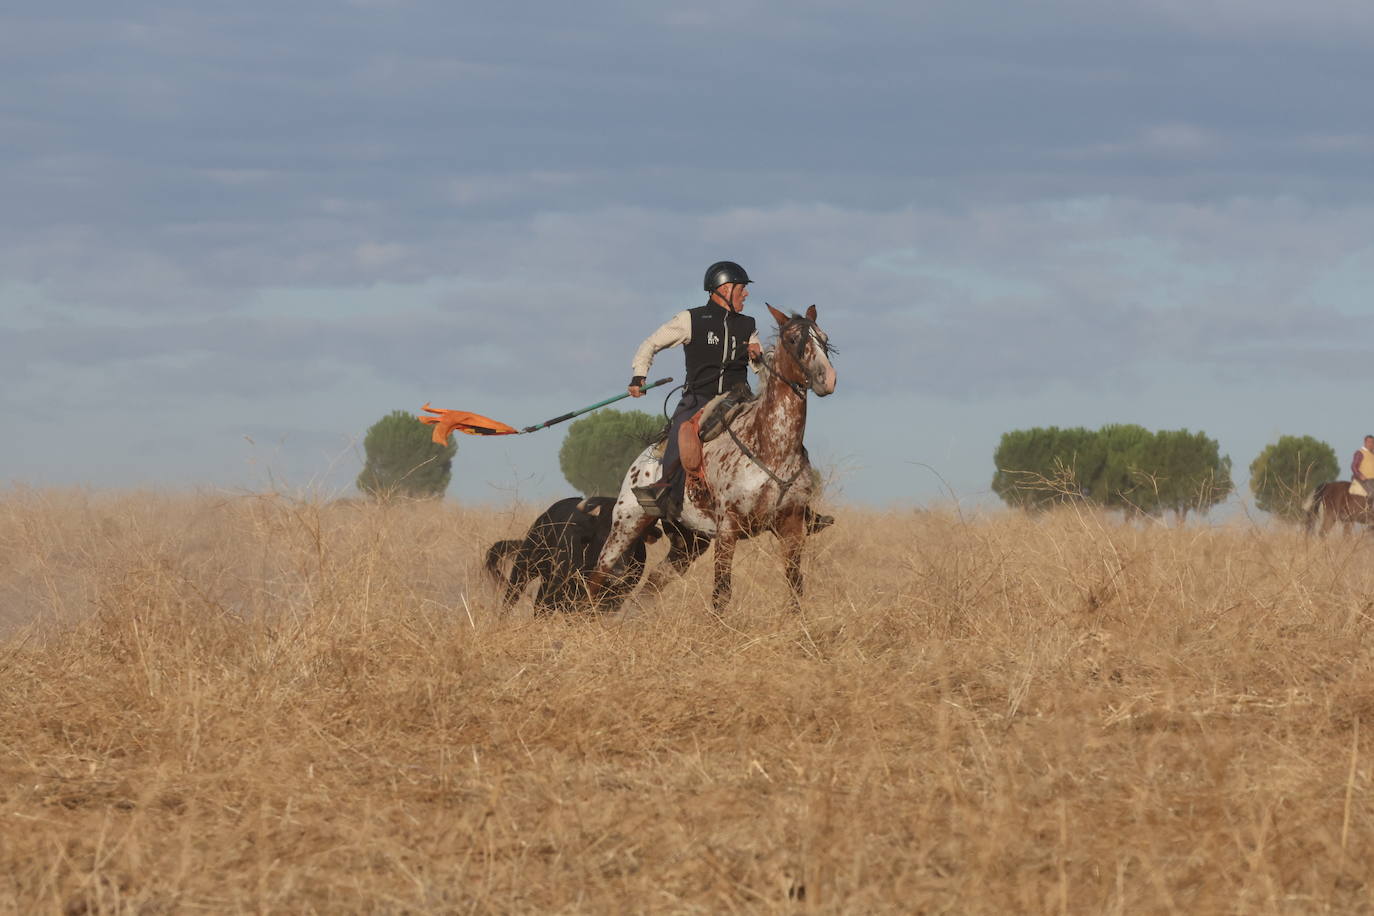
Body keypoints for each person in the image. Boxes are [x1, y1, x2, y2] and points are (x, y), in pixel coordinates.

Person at [626, 260, 763, 517]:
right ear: (724, 289)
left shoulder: (748, 324)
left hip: (739, 399)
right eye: (741, 288)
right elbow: (650, 344)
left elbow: (761, 367)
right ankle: (664, 489)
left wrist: (758, 358)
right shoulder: (691, 319)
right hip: (700, 398)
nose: (746, 293)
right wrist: (639, 376)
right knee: (683, 433)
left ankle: (794, 502)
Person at [1352, 435, 1374, 502]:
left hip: (1372, 479)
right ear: (1365, 442)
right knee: (1372, 492)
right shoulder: (1360, 453)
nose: (1371, 444)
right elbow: (1354, 466)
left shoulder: (1372, 454)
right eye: (1369, 442)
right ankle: (1369, 509)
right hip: (1365, 479)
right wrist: (1360, 475)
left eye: (1372, 442)